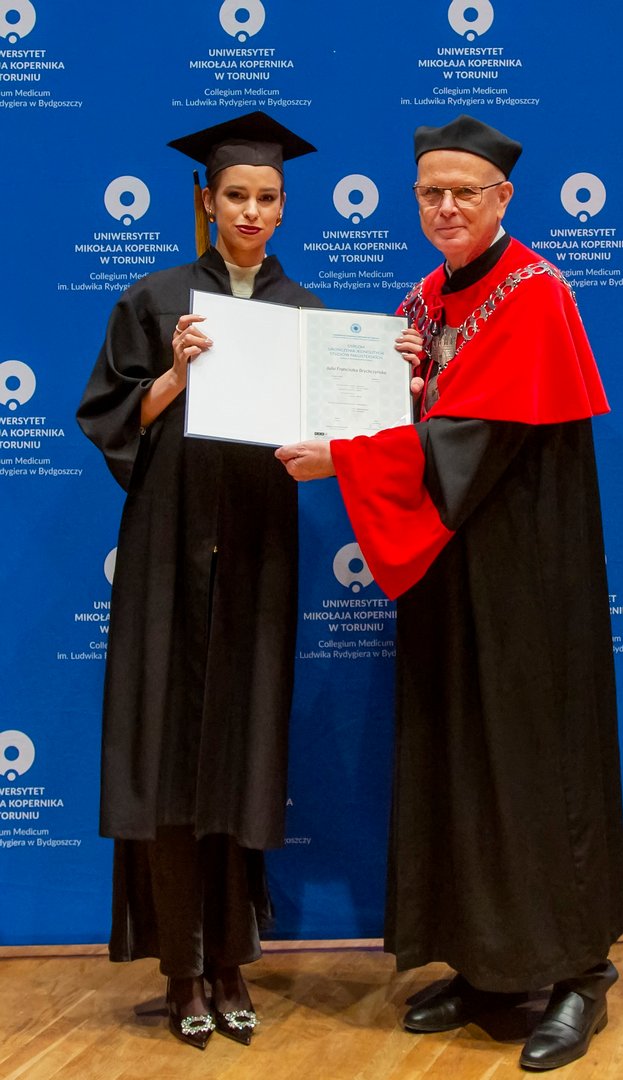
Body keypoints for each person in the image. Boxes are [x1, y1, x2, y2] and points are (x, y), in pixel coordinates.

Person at [275, 114, 623, 1072]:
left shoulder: (535, 293)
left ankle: (577, 973)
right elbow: (419, 410)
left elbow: (473, 439)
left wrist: (346, 459)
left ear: (503, 197)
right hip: (450, 569)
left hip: (523, 579)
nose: (446, 207)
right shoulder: (426, 297)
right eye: (431, 192)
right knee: (462, 760)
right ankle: (488, 964)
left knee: (533, 765)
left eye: (465, 191)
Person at [77, 112, 326, 1051]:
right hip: (168, 554)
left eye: (267, 197)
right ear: (206, 202)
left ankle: (231, 960)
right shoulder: (155, 302)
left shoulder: (304, 314)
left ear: (283, 207)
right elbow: (113, 421)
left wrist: (391, 387)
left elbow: (335, 435)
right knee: (167, 755)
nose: (251, 211)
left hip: (258, 552)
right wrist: (177, 373)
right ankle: (182, 969)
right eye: (236, 196)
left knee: (239, 751)